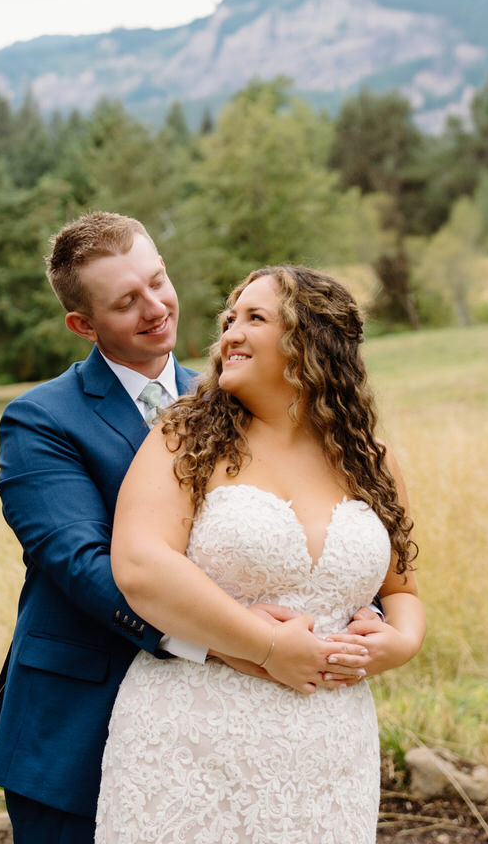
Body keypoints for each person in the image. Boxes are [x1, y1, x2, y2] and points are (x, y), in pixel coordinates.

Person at [0, 216, 369, 844]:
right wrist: (229, 645)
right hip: (77, 723)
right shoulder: (41, 421)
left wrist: (350, 605)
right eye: (126, 302)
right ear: (83, 324)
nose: (156, 307)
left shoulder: (232, 398)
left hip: (222, 733)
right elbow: (82, 565)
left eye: (158, 281)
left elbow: (294, 513)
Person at [97, 264, 426, 844]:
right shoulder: (184, 438)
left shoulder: (370, 459)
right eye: (229, 320)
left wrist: (399, 643)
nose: (229, 335)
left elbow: (401, 591)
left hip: (330, 742)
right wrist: (270, 647)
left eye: (254, 318)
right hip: (195, 736)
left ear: (310, 344)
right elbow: (140, 566)